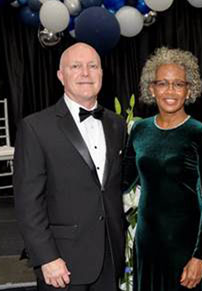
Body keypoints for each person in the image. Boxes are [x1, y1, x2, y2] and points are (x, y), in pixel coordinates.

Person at [14, 42, 126, 291]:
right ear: (60, 75)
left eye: (93, 66)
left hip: (109, 258)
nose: (85, 73)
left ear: (101, 74)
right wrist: (46, 257)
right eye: (76, 66)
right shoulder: (35, 127)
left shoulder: (117, 124)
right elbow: (27, 202)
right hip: (62, 263)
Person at [122, 47, 202, 291]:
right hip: (146, 244)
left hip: (184, 247)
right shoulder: (139, 130)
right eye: (163, 83)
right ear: (151, 88)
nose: (170, 91)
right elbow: (121, 182)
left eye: (178, 84)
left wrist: (200, 256)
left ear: (189, 90)